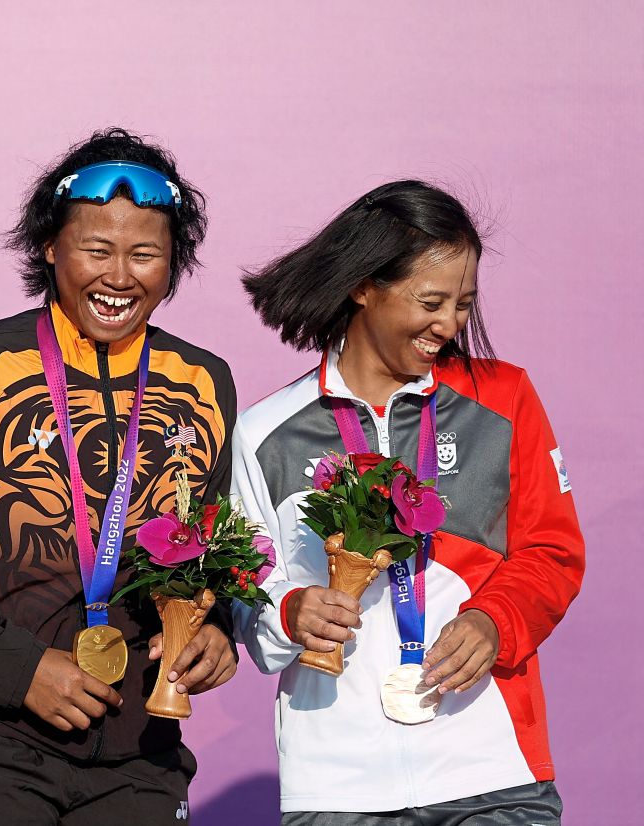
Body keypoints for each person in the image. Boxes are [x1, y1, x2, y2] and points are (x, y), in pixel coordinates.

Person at [0, 128, 238, 824]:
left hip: (140, 748)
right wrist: (19, 669)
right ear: (50, 248)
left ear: (173, 260)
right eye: (96, 250)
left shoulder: (204, 381)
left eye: (144, 254)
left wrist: (221, 633)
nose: (119, 276)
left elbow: (206, 557)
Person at [232, 180, 583, 824]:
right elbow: (248, 601)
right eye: (432, 301)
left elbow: (552, 551)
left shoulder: (504, 400)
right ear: (364, 285)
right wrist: (289, 614)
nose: (450, 325)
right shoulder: (265, 432)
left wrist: (493, 621)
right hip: (336, 787)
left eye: (464, 304)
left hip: (491, 768)